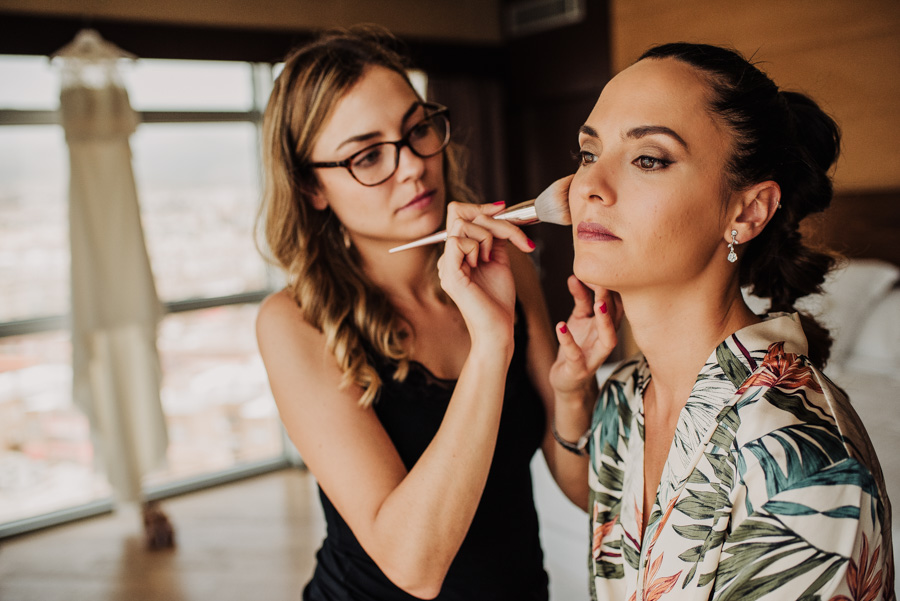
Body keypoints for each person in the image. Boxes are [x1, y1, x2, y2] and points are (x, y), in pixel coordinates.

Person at [536, 42, 895, 599]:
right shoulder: (628, 393)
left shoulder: (800, 459)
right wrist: (572, 393)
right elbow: (603, 503)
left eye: (648, 159)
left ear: (747, 211)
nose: (588, 187)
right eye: (588, 154)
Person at [255, 25, 581, 600]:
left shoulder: (508, 266)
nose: (411, 167)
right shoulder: (294, 323)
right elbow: (414, 564)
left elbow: (582, 489)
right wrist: (490, 345)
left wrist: (576, 391)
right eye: (368, 155)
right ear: (311, 188)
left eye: (416, 130)